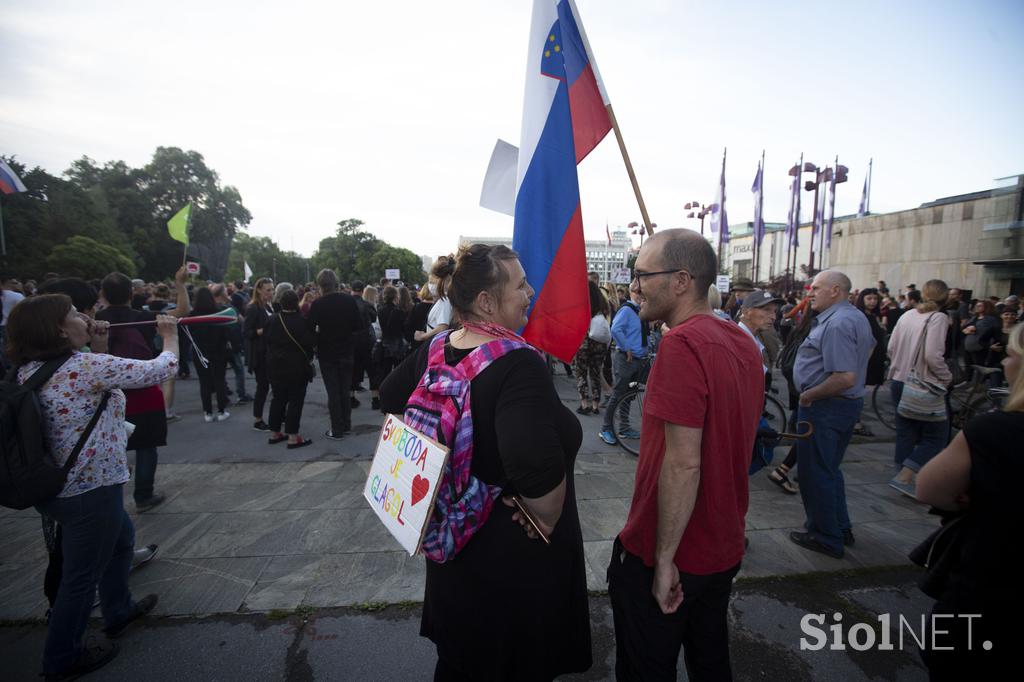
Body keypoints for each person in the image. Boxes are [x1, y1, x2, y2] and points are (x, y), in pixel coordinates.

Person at [380, 244, 591, 680]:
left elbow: (390, 394)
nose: (530, 292)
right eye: (520, 285)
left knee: (461, 663)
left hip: (452, 545)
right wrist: (545, 516)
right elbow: (532, 462)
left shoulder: (438, 346)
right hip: (511, 560)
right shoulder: (518, 363)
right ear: (486, 302)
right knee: (510, 666)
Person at [607, 229, 763, 681]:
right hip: (722, 543)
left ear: (680, 281)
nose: (634, 287)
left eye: (641, 275)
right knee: (710, 659)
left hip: (672, 552)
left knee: (645, 667)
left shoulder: (681, 344)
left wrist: (665, 559)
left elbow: (683, 462)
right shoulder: (739, 341)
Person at [6, 295, 180, 679]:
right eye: (73, 314)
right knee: (80, 578)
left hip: (59, 487)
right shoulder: (84, 367)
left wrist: (97, 345)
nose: (84, 317)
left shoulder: (30, 368)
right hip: (89, 488)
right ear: (57, 329)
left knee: (121, 538)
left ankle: (119, 609)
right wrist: (170, 334)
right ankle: (62, 657)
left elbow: (91, 391)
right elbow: (160, 369)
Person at [914, 322, 1023, 679]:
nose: (1004, 366)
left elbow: (929, 489)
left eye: (1009, 356)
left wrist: (977, 491)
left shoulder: (995, 430)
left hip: (990, 589)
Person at [789, 270, 874, 559]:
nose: (809, 294)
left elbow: (845, 376)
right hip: (839, 405)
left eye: (816, 288)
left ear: (835, 290)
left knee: (816, 473)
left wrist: (809, 395)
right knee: (828, 469)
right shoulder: (853, 317)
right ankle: (838, 527)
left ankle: (825, 535)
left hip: (825, 406)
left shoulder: (838, 323)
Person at [95, 268, 189, 511]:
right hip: (143, 390)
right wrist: (180, 284)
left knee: (106, 446)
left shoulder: (92, 321)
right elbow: (181, 312)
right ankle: (143, 495)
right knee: (147, 446)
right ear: (131, 293)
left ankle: (106, 497)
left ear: (103, 293)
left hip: (104, 391)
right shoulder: (141, 318)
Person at [885, 280, 954, 498]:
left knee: (906, 431)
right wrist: (946, 377)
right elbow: (932, 355)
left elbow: (890, 347)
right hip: (922, 383)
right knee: (937, 435)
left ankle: (902, 474)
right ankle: (905, 476)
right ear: (945, 297)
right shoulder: (938, 318)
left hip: (898, 379)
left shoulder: (908, 315)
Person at [307, 269, 364, 440]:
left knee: (333, 392)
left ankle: (337, 428)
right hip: (346, 350)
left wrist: (318, 338)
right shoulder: (348, 301)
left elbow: (310, 330)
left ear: (320, 285)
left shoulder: (317, 304)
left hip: (327, 352)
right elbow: (358, 326)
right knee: (345, 389)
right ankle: (346, 424)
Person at [264, 289, 315, 448]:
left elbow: (266, 339)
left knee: (278, 398)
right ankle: (293, 435)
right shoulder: (302, 321)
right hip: (297, 366)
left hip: (275, 365)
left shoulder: (272, 319)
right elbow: (310, 342)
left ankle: (274, 432)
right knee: (295, 401)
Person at [599, 287, 649, 446]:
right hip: (627, 359)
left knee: (629, 394)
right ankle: (606, 428)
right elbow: (615, 328)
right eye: (642, 294)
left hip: (638, 358)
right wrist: (626, 347)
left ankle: (624, 427)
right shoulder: (627, 310)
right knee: (618, 394)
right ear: (635, 294)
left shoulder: (640, 310)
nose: (644, 297)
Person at [189, 287, 233, 423]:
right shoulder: (219, 313)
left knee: (204, 382)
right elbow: (226, 332)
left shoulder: (192, 315)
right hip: (218, 351)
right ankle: (221, 410)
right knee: (219, 380)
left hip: (199, 352)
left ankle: (207, 412)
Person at [572, 280, 611, 415]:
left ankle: (584, 404)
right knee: (595, 373)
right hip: (599, 343)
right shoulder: (602, 304)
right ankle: (595, 405)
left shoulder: (582, 304)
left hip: (584, 342)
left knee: (581, 373)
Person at [853, 287, 887, 436]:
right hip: (864, 360)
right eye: (869, 298)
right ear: (862, 300)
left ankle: (855, 420)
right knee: (857, 391)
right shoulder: (861, 316)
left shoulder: (872, 316)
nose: (873, 301)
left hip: (873, 360)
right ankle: (855, 422)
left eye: (875, 298)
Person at [212, 283, 252, 404]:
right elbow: (241, 320)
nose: (228, 292)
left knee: (221, 371)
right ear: (222, 293)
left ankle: (224, 394)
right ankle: (241, 394)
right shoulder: (229, 307)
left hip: (220, 344)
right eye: (225, 290)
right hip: (231, 343)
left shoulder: (212, 308)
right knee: (238, 369)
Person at [243, 277, 275, 430]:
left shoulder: (268, 306)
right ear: (259, 290)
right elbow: (247, 332)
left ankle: (277, 415)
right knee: (262, 387)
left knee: (272, 386)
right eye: (268, 290)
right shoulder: (253, 308)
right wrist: (263, 330)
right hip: (259, 354)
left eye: (272, 289)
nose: (271, 293)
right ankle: (258, 419)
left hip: (269, 352)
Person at [370, 284, 407, 411]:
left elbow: (377, 329)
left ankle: (380, 399)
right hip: (398, 345)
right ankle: (397, 399)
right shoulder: (400, 312)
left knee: (383, 373)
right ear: (395, 296)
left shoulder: (379, 310)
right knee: (399, 373)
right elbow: (404, 329)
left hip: (384, 344)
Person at [415, 256, 454, 346]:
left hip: (436, 343)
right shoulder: (444, 299)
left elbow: (442, 327)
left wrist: (423, 336)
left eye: (433, 281)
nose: (431, 285)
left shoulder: (446, 300)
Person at [350, 281, 377, 403]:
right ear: (362, 291)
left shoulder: (347, 304)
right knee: (371, 369)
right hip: (367, 340)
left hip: (352, 341)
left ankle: (351, 397)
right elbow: (373, 318)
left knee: (353, 369)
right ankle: (375, 398)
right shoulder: (367, 305)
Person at [962, 300, 1000, 373]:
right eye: (976, 305)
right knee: (968, 367)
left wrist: (974, 328)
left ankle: (978, 383)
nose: (977, 307)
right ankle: (967, 382)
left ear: (986, 307)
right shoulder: (974, 317)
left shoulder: (990, 319)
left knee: (979, 368)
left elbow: (993, 333)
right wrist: (966, 329)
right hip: (968, 346)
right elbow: (964, 328)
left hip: (980, 347)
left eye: (980, 306)